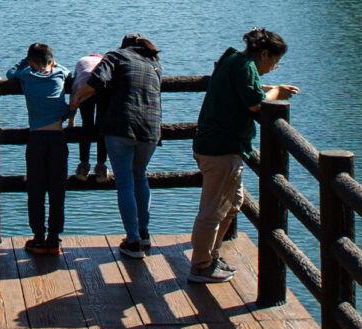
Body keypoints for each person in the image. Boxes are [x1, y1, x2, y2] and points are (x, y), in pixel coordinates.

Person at [188, 28, 296, 285]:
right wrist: (277, 92)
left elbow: (246, 87)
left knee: (232, 203)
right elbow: (256, 103)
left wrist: (269, 86)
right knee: (212, 210)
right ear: (264, 53)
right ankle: (200, 266)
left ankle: (211, 257)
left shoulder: (232, 59)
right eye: (273, 62)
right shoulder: (246, 66)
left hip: (217, 146)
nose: (272, 67)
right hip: (221, 150)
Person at [76, 34, 162, 255]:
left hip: (121, 125)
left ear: (123, 46)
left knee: (124, 183)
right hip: (151, 127)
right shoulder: (154, 63)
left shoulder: (116, 56)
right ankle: (144, 233)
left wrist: (76, 97)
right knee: (140, 176)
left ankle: (132, 241)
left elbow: (97, 82)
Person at [5, 42, 73, 256]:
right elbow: (67, 71)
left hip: (36, 139)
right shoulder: (60, 72)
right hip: (58, 138)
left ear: (32, 62)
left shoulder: (26, 75)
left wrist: (25, 62)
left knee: (35, 191)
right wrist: (49, 64)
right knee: (57, 191)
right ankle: (54, 239)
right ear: (52, 62)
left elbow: (9, 74)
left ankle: (37, 237)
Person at [68, 49, 110, 180]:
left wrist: (71, 121)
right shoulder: (105, 61)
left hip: (84, 84)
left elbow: (73, 91)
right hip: (104, 87)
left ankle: (83, 165)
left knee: (87, 125)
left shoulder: (81, 61)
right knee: (102, 126)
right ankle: (101, 165)